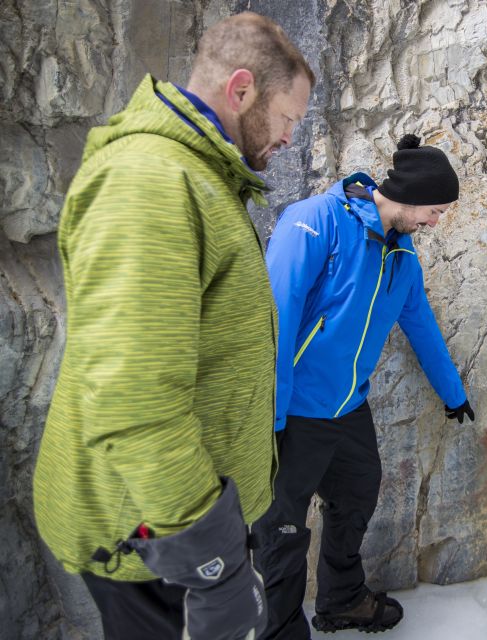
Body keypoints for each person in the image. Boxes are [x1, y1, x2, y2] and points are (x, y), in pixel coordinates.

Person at [32, 12, 314, 640]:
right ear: (241, 89)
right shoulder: (152, 182)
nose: (291, 138)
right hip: (153, 533)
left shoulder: (200, 176)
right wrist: (213, 565)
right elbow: (134, 399)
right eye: (290, 117)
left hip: (174, 517)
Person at [253, 133, 475, 637]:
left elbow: (420, 323)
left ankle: (341, 599)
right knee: (281, 533)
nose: (435, 223)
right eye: (435, 211)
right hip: (296, 412)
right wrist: (271, 417)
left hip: (348, 407)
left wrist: (452, 392)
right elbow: (275, 319)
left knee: (357, 497)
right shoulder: (316, 221)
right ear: (411, 195)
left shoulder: (402, 255)